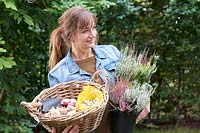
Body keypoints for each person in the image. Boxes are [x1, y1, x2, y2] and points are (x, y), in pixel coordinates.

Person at [48, 6, 120, 133]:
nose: (92, 34)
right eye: (85, 30)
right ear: (70, 36)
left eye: (93, 28)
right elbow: (59, 115)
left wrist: (145, 97)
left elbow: (134, 81)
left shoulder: (111, 53)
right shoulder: (59, 74)